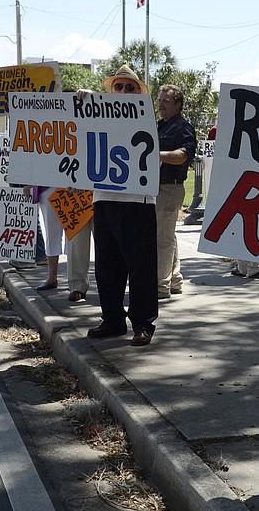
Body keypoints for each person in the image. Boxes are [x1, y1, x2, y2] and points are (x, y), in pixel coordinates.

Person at [81, 64, 158, 347]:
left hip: (138, 200)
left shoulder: (145, 117)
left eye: (130, 87)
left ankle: (143, 323)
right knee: (106, 265)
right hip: (104, 199)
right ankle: (112, 319)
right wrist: (84, 101)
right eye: (119, 86)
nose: (123, 91)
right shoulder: (97, 114)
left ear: (138, 93)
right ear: (110, 90)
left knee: (140, 266)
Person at [207, 124, 259, 279]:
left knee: (240, 222)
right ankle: (253, 266)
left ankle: (243, 265)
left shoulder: (218, 129)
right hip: (252, 178)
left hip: (233, 180)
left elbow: (211, 155)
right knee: (255, 222)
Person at [156, 84, 196, 299]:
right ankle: (174, 281)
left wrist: (156, 154)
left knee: (161, 239)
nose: (161, 104)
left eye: (166, 101)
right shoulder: (161, 125)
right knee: (167, 236)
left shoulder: (183, 127)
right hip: (158, 186)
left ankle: (160, 287)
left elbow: (183, 155)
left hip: (169, 187)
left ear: (178, 105)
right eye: (160, 100)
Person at [33, 185, 67, 291]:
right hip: (47, 186)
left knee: (73, 237)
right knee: (51, 234)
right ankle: (52, 277)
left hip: (71, 184)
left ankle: (75, 281)